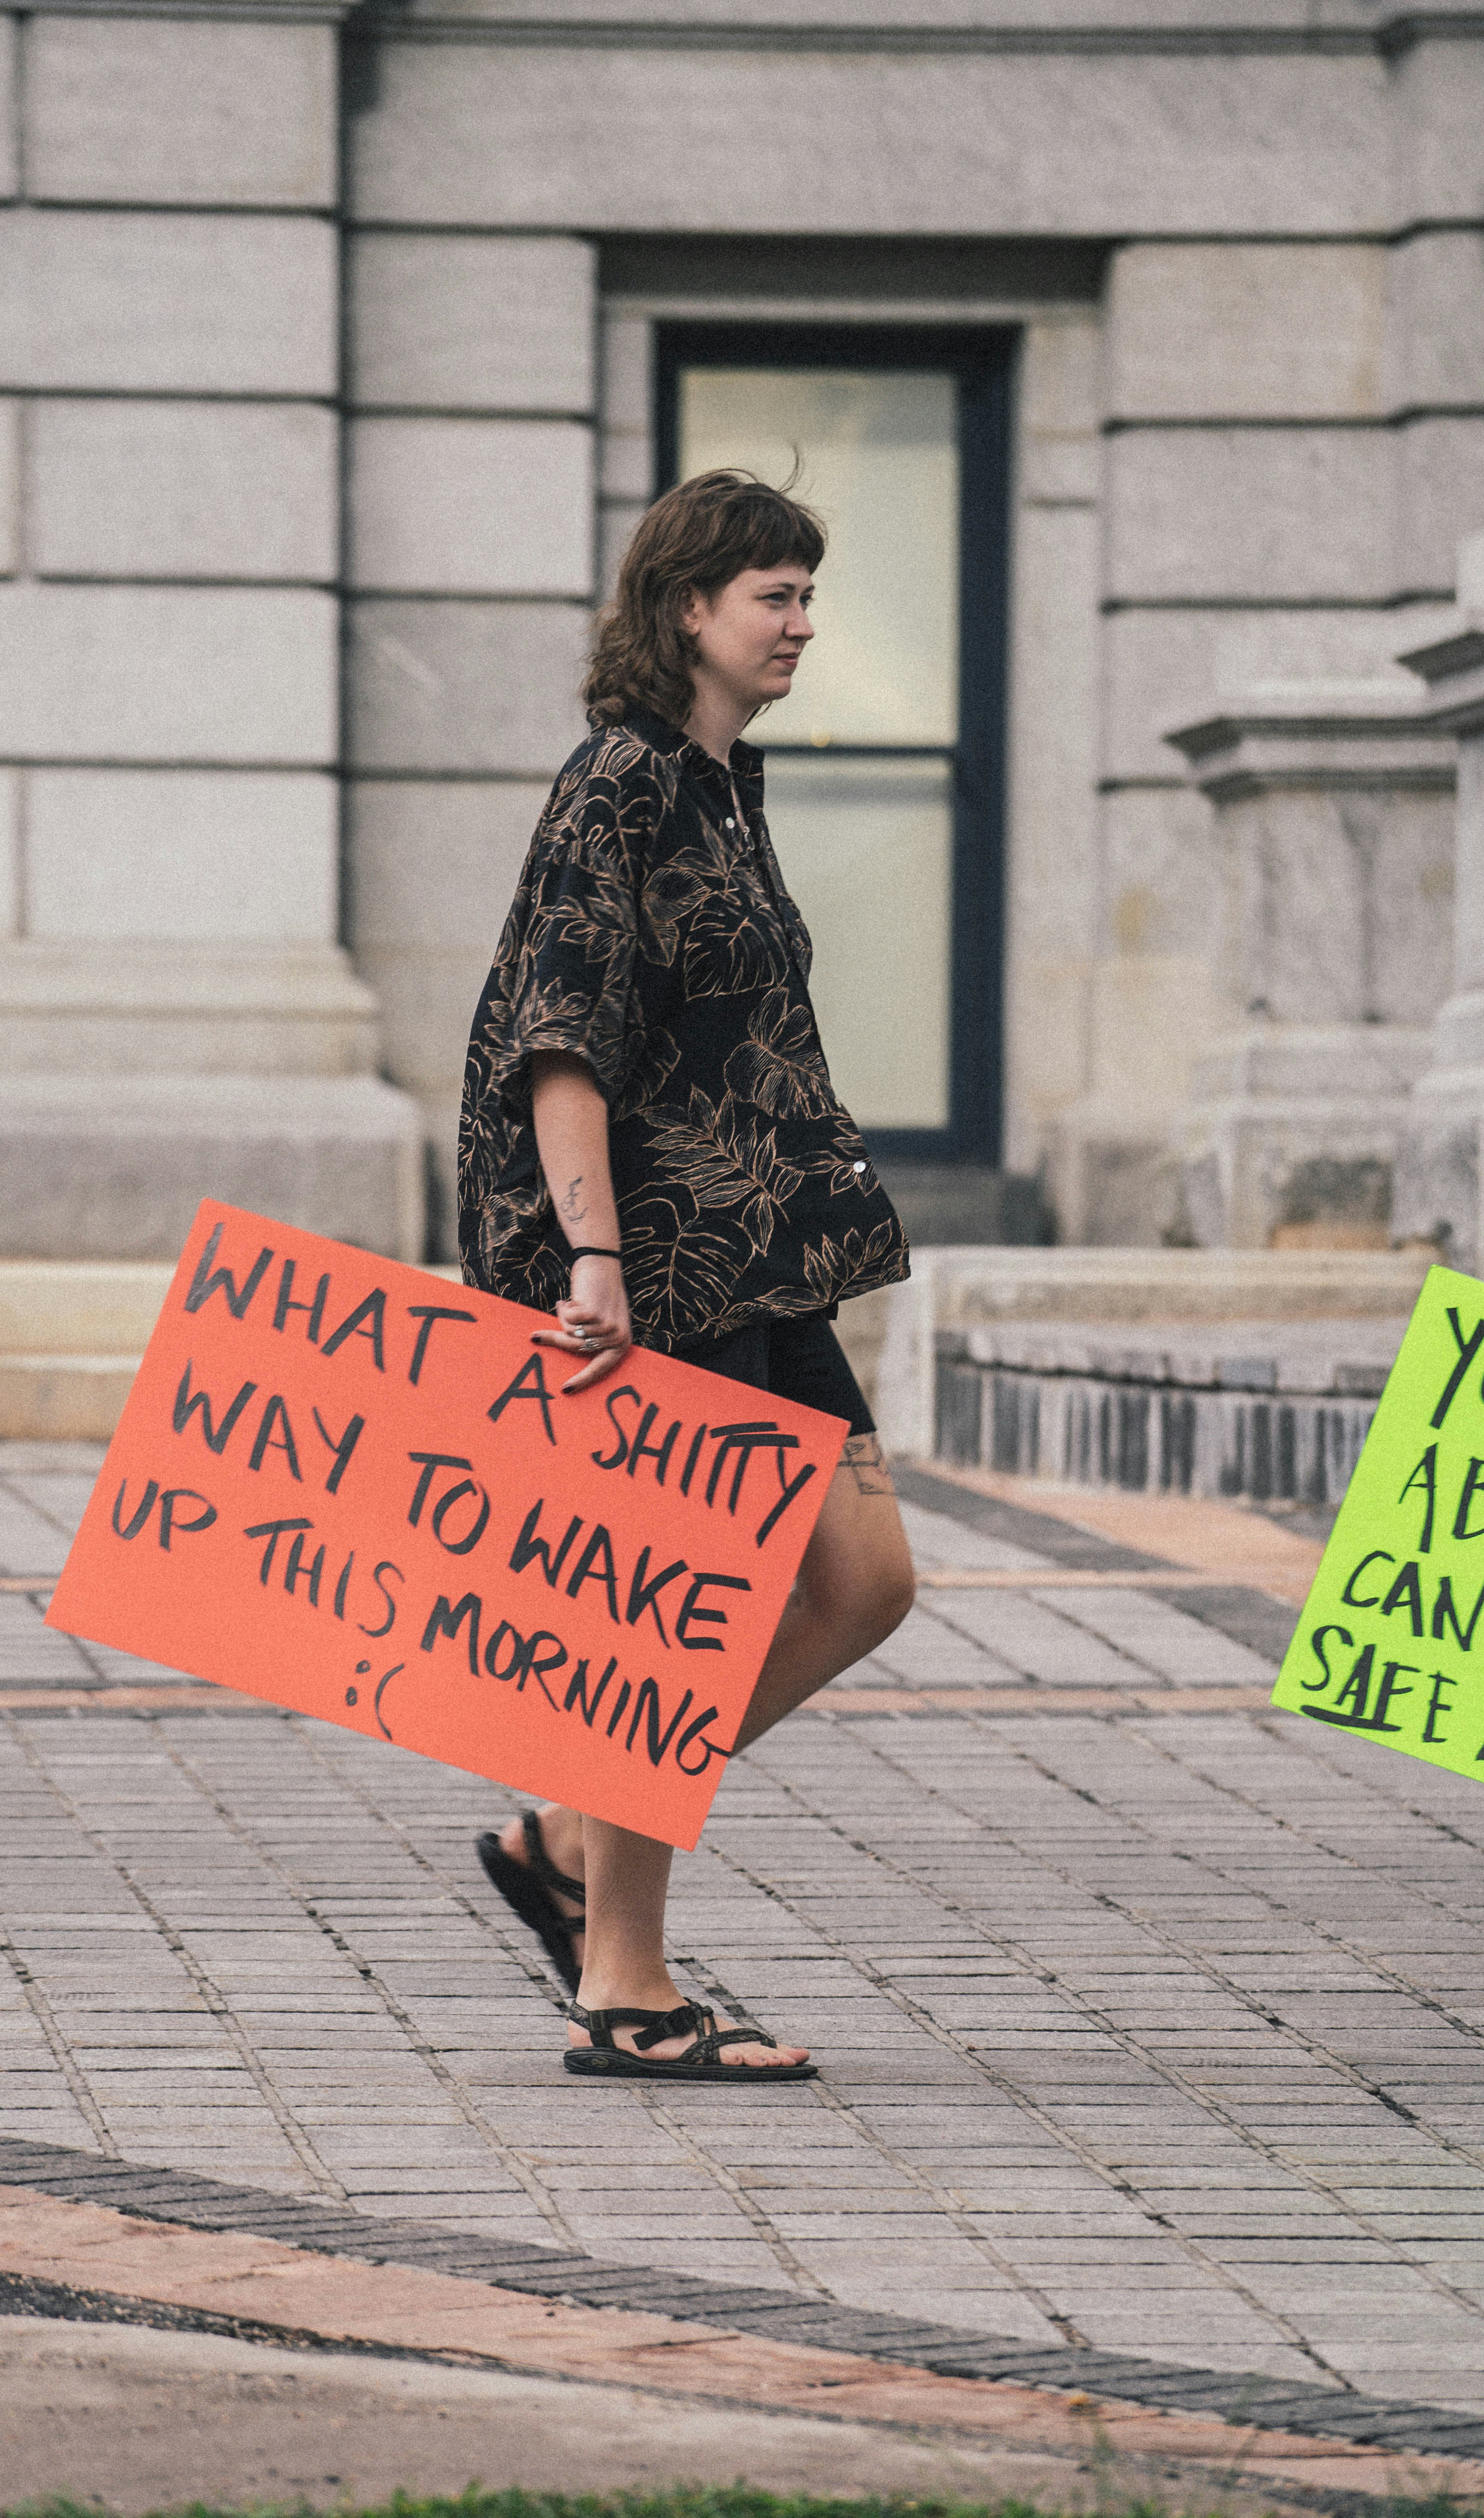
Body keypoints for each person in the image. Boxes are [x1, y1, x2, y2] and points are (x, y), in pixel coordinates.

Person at [457, 467, 917, 2081]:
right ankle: (627, 1988)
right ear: (686, 613)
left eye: (806, 593)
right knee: (677, 1626)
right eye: (773, 597)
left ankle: (576, 1832)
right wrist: (591, 1257)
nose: (802, 623)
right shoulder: (622, 788)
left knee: (866, 1583)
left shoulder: (725, 789)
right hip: (658, 1272)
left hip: (761, 1263)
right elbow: (558, 1044)